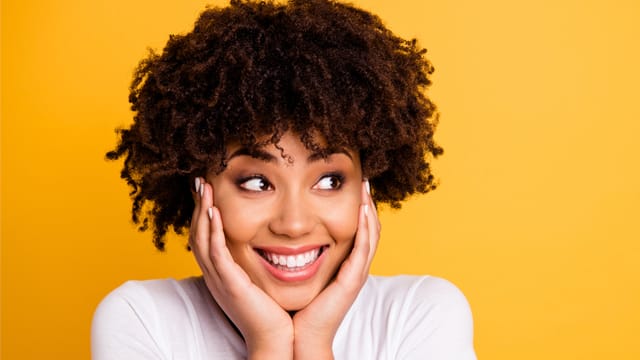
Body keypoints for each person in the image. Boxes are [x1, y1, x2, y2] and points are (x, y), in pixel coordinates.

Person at [92, 0, 476, 358]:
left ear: (367, 187)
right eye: (257, 183)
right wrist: (269, 342)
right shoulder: (143, 319)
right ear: (199, 190)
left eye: (328, 180)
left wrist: (314, 341)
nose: (294, 224)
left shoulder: (422, 313)